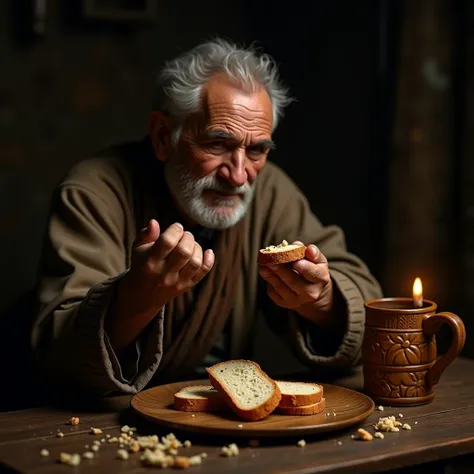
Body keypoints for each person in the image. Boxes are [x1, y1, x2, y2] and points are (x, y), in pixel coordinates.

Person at [31, 38, 382, 398]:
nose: (239, 175)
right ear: (163, 136)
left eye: (257, 150)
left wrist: (321, 300)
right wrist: (134, 300)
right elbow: (58, 356)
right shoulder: (93, 191)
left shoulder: (271, 191)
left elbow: (371, 311)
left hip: (225, 422)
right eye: (217, 144)